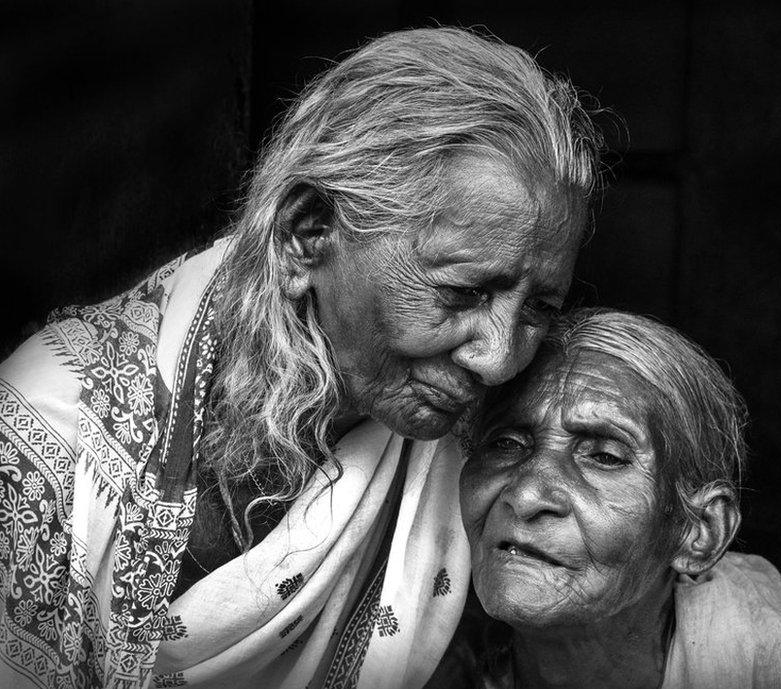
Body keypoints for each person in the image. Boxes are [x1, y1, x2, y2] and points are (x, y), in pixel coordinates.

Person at [0, 28, 602, 689]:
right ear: (306, 233)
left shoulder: (491, 445)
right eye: (461, 292)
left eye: (540, 309)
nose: (499, 359)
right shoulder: (46, 433)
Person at [451, 309, 781, 689]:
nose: (525, 495)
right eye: (506, 444)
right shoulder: (419, 637)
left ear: (699, 532)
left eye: (604, 456)